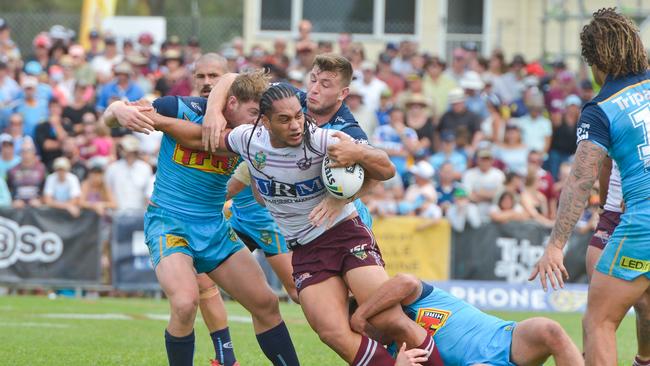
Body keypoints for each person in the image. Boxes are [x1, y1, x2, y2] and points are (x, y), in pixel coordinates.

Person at [153, 82, 442, 365]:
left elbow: (386, 168)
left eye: (298, 116)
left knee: (385, 318)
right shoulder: (247, 139)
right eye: (284, 119)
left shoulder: (321, 140)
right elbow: (202, 137)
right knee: (331, 332)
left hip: (345, 236)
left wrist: (354, 165)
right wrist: (156, 120)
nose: (295, 125)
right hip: (304, 249)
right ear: (264, 122)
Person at [104, 71, 300, 366]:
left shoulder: (249, 135)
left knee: (266, 303)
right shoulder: (182, 108)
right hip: (168, 223)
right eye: (252, 112)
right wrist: (117, 109)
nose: (257, 121)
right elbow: (109, 117)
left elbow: (254, 187)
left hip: (214, 228)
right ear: (231, 102)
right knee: (184, 304)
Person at [529, 8, 650, 366]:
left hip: (642, 225)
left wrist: (555, 245)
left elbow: (581, 178)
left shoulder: (601, 108)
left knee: (598, 321)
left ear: (596, 59)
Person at [351, 273, 583, 366]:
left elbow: (406, 280)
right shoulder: (393, 355)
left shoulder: (414, 299)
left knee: (548, 329)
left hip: (507, 337)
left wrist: (360, 315)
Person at [587, 160, 650, 366]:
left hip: (641, 215)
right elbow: (605, 164)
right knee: (596, 304)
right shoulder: (616, 127)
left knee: (644, 303)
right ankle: (587, 358)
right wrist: (604, 207)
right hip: (612, 215)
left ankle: (643, 360)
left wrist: (639, 193)